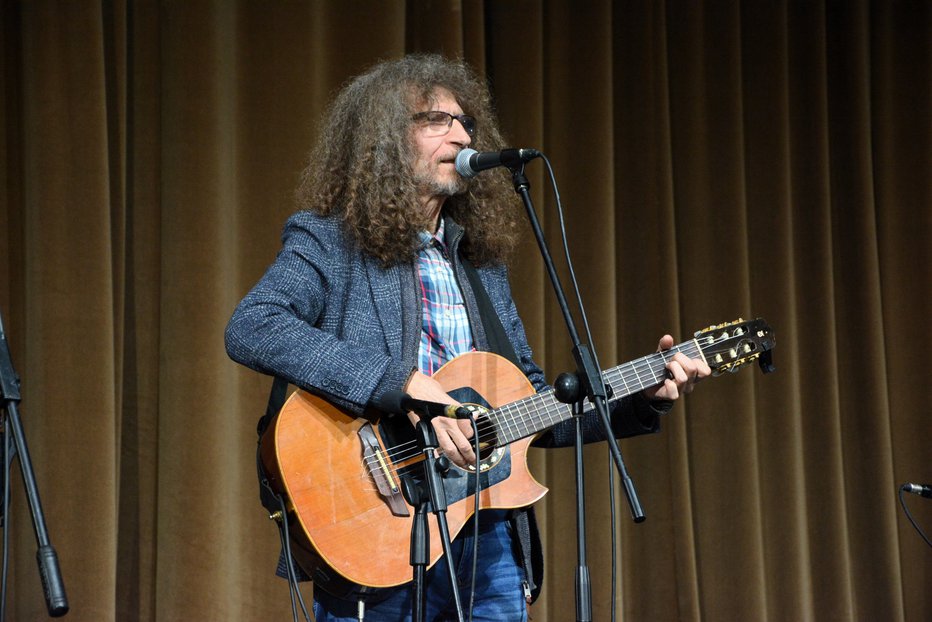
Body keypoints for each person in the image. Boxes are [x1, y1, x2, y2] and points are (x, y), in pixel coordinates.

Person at [225, 54, 710, 622]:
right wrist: (400, 384)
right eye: (435, 120)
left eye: (465, 123)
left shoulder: (480, 265)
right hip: (379, 528)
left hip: (487, 540)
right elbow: (253, 326)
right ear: (382, 139)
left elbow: (529, 408)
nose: (460, 134)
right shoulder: (329, 242)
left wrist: (642, 395)